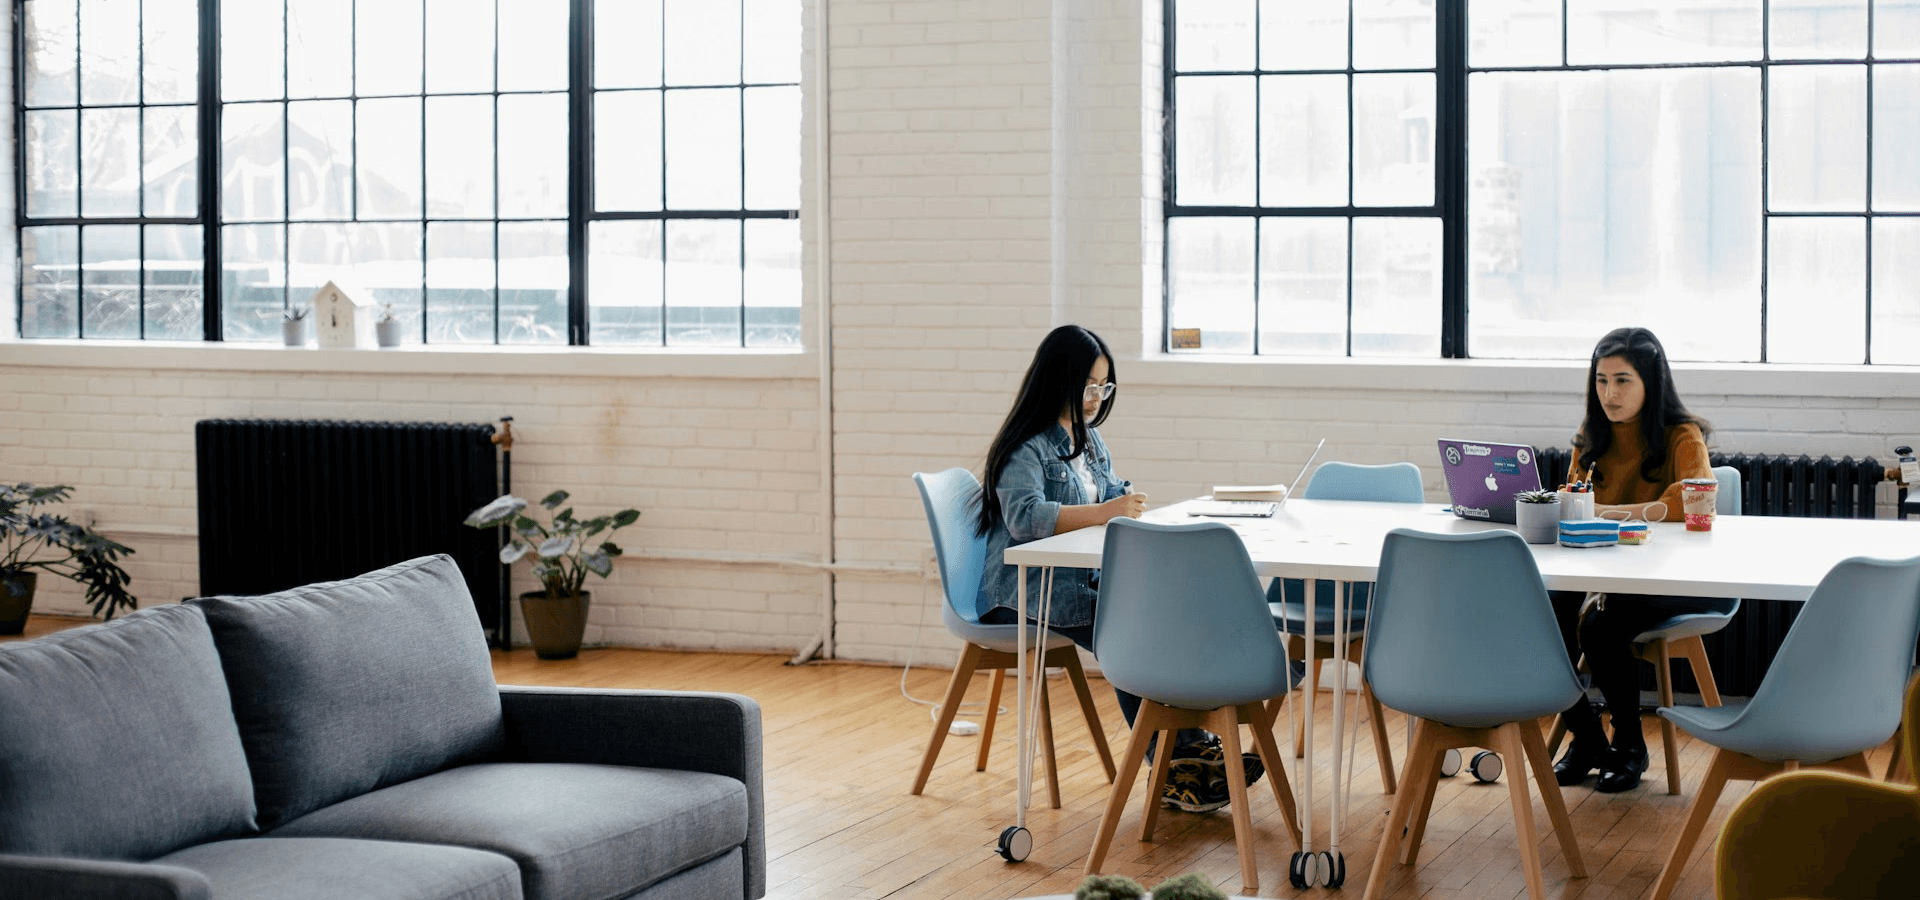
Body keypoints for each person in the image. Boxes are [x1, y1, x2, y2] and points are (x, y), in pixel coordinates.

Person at [973, 324, 1260, 814]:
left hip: (1078, 583)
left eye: (1103, 387)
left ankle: (1188, 752)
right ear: (1056, 378)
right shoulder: (1027, 446)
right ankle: (1175, 764)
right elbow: (1025, 519)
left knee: (1159, 610)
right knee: (1132, 630)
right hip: (1023, 594)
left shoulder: (1091, 441)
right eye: (1088, 386)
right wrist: (1108, 512)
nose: (1095, 398)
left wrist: (1122, 503)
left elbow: (1107, 494)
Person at [1549, 326, 1718, 793]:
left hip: (1669, 576)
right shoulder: (1590, 437)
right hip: (1600, 565)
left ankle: (1629, 744)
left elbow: (1690, 500)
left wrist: (1606, 512)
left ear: (1651, 382)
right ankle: (1586, 738)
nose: (1610, 393)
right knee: (1541, 614)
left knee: (1600, 626)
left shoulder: (1682, 436)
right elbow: (1572, 500)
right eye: (1601, 381)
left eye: (1623, 380)